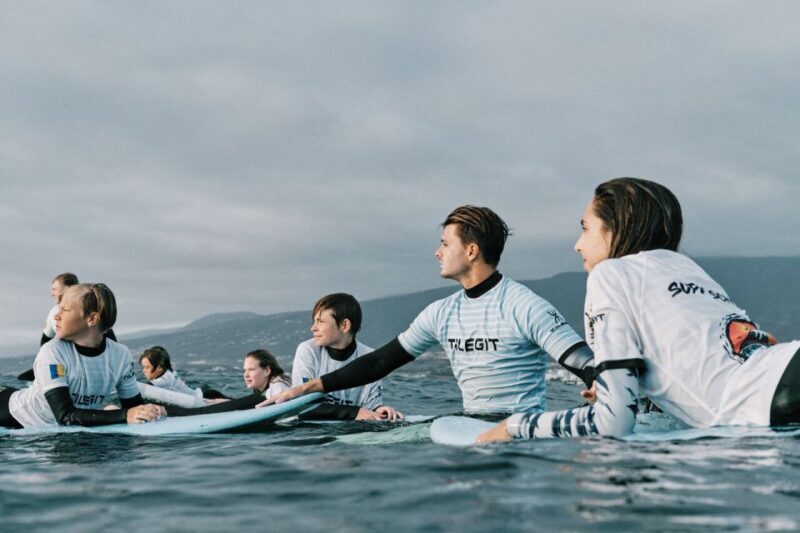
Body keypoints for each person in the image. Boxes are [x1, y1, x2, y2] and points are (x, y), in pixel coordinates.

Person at [478, 177, 800, 443]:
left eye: (585, 228)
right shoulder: (688, 270)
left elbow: (613, 423)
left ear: (616, 228)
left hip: (774, 399)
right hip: (784, 374)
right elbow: (693, 376)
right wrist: (622, 388)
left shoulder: (611, 274)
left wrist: (515, 426)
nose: (577, 244)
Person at [265, 205, 595, 416]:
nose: (438, 253)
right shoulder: (441, 312)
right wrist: (307, 387)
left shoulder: (523, 305)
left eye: (445, 244)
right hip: (470, 427)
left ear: (471, 251)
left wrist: (600, 385)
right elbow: (380, 362)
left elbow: (581, 359)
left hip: (522, 436)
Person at [0, 283, 165, 429]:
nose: (56, 316)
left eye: (64, 310)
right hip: (12, 416)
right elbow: (65, 416)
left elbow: (134, 407)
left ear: (92, 318)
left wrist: (151, 411)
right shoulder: (53, 351)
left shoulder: (120, 355)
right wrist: (124, 415)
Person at [292, 293, 403, 421]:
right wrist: (353, 413)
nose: (313, 328)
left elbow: (369, 408)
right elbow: (301, 408)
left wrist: (379, 409)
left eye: (321, 321)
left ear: (344, 325)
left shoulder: (370, 358)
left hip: (351, 429)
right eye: (314, 321)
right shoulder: (308, 350)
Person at [17, 272, 116, 381]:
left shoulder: (91, 312)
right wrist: (46, 362)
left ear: (67, 288)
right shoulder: (54, 314)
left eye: (54, 289)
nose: (52, 294)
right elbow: (46, 340)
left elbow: (107, 336)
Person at [139, 345, 228, 400]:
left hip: (206, 396)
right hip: (204, 393)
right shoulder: (169, 373)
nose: (144, 371)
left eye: (147, 367)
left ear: (159, 367)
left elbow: (145, 387)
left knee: (235, 408)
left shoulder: (165, 378)